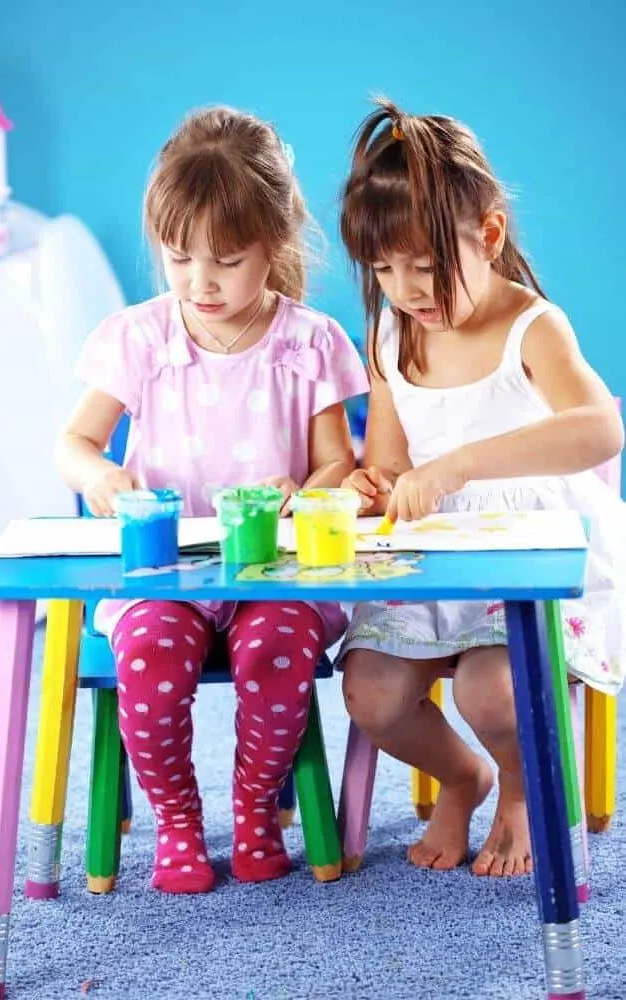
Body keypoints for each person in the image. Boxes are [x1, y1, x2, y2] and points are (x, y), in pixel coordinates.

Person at [54, 106, 369, 893]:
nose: (201, 282)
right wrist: (100, 479)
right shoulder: (140, 338)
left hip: (273, 572)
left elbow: (341, 466)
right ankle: (179, 822)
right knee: (151, 649)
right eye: (179, 258)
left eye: (226, 260)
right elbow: (74, 444)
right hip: (166, 572)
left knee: (276, 649)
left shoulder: (309, 342)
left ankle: (257, 809)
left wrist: (302, 490)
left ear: (276, 244)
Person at [337, 97, 626, 878]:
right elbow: (392, 463)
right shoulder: (391, 333)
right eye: (383, 270)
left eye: (424, 268)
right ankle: (460, 775)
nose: (404, 290)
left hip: (527, 557)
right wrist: (373, 485)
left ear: (488, 235)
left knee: (489, 689)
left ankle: (523, 788)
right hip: (434, 558)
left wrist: (461, 463)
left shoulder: (533, 326)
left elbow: (600, 430)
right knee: (370, 692)